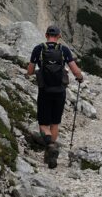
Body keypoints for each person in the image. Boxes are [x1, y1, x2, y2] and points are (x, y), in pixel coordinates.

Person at [27, 25, 84, 168]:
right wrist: (80, 78)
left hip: (44, 91)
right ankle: (51, 152)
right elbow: (75, 70)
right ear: (59, 36)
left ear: (46, 35)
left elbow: (30, 71)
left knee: (43, 124)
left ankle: (50, 147)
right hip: (60, 91)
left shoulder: (38, 49)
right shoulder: (64, 50)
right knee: (54, 123)